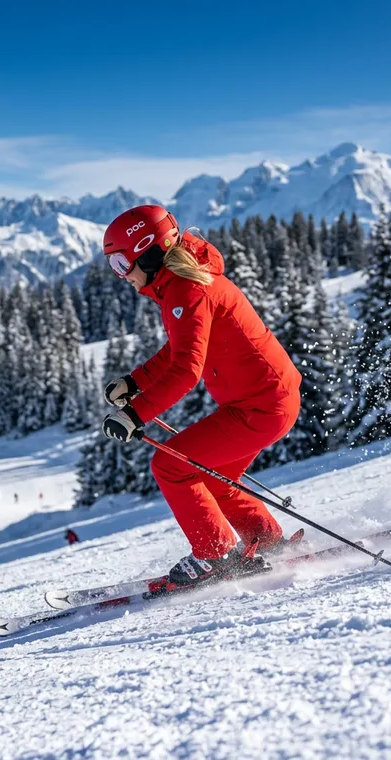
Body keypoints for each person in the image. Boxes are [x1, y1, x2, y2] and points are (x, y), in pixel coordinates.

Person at [101, 205, 302, 590]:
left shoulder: (186, 288)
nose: (122, 275)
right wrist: (134, 381)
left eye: (122, 263)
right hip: (266, 401)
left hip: (261, 407)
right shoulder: (182, 280)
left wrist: (135, 414)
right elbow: (182, 350)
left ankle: (213, 556)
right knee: (217, 476)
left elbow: (185, 370)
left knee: (170, 465)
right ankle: (267, 542)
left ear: (148, 250)